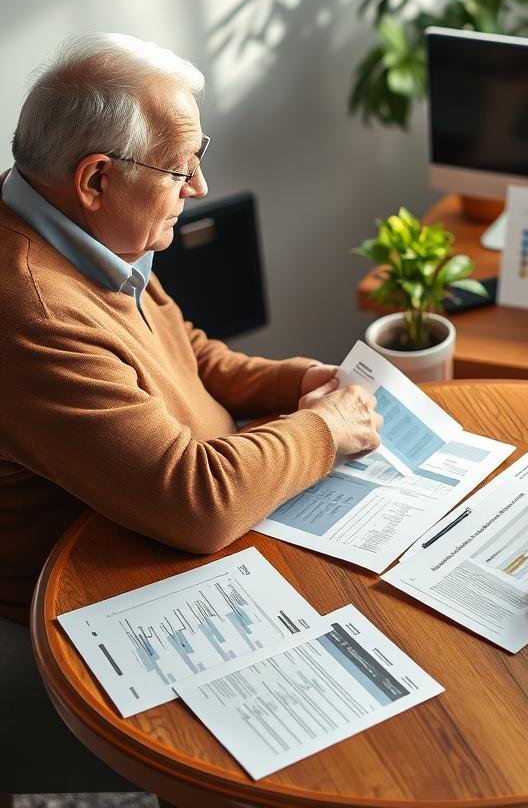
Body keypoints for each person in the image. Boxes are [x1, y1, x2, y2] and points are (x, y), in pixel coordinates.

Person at [0, 33, 383, 623]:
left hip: (169, 538)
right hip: (80, 609)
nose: (199, 186)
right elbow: (197, 504)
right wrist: (325, 429)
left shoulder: (66, 223)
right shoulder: (34, 313)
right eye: (179, 166)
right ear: (95, 180)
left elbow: (185, 352)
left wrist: (297, 381)